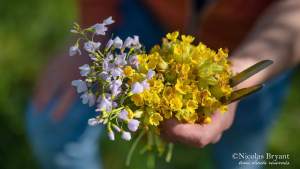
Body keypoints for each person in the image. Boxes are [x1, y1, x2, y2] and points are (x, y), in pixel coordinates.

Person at [26, 0, 300, 169]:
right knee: (52, 119)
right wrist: (93, 29)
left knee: (243, 152)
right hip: (142, 15)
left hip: (256, 44)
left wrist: (241, 72)